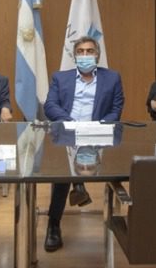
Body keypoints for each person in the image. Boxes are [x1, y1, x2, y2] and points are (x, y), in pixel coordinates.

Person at [43, 36, 124, 252]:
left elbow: (116, 109)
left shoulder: (112, 78)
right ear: (74, 55)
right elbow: (50, 105)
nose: (85, 55)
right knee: (62, 175)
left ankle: (80, 184)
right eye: (81, 51)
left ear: (97, 55)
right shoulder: (60, 77)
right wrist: (70, 122)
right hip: (67, 132)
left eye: (90, 51)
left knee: (105, 166)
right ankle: (53, 224)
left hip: (97, 134)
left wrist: (98, 126)